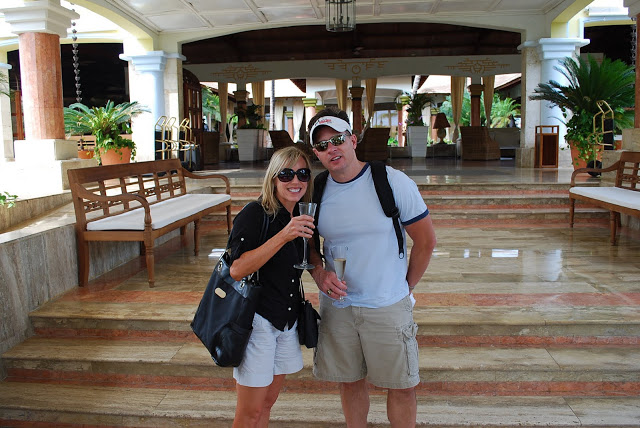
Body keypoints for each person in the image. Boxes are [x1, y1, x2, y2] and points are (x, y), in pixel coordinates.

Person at [307, 107, 437, 427]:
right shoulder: (317, 189)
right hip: (339, 307)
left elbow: (426, 241)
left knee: (402, 386)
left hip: (386, 305)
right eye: (322, 146)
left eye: (337, 140)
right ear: (316, 153)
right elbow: (307, 243)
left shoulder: (391, 181)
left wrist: (404, 289)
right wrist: (318, 272)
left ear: (352, 140)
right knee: (349, 381)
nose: (331, 149)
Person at [227, 146, 316, 427]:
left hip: (287, 321)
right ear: (273, 178)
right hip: (258, 322)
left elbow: (308, 258)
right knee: (249, 412)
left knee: (267, 404)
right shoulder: (255, 214)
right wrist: (283, 236)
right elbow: (236, 269)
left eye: (302, 174)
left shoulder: (301, 215)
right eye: (286, 174)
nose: (295, 181)